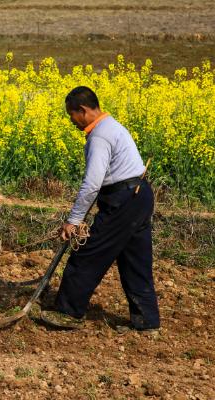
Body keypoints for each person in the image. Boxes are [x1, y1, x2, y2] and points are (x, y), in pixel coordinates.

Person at [39, 86, 160, 334]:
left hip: (124, 200)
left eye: (71, 115)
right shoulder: (112, 126)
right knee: (134, 260)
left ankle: (68, 313)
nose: (71, 121)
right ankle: (147, 323)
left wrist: (73, 220)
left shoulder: (100, 135)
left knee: (87, 255)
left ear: (82, 110)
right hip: (139, 195)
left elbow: (92, 184)